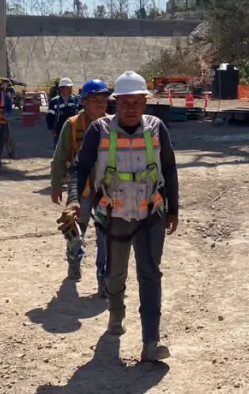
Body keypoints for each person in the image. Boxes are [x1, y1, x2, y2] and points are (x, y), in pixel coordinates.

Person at [69, 71, 179, 362]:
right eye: (125, 102)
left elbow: (169, 167)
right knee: (115, 274)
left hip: (150, 214)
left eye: (137, 101)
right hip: (113, 215)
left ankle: (151, 342)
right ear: (116, 103)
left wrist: (174, 209)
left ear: (145, 102)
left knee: (150, 275)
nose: (131, 107)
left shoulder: (156, 128)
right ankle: (116, 312)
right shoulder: (99, 130)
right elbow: (80, 169)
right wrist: (74, 201)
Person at [52, 79, 111, 289]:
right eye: (94, 99)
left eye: (103, 99)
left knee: (107, 232)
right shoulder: (73, 125)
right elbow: (59, 157)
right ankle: (74, 260)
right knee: (75, 228)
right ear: (84, 102)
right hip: (81, 186)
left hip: (107, 188)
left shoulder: (113, 124)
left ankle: (105, 277)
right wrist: (56, 184)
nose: (100, 103)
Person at [47, 77, 80, 147]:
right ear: (61, 89)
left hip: (73, 129)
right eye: (68, 87)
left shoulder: (76, 100)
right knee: (59, 149)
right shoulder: (54, 101)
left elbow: (81, 115)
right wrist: (52, 128)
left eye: (70, 87)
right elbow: (50, 116)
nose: (70, 89)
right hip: (59, 130)